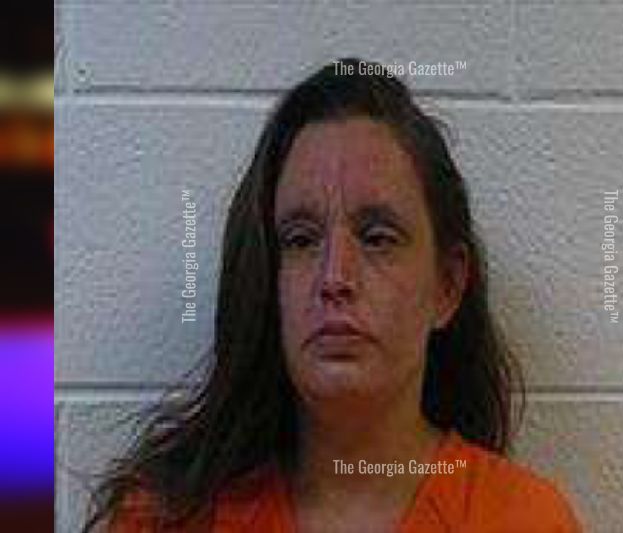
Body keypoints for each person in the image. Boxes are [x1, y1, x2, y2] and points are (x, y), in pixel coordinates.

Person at [83, 58, 581, 532]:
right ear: (267, 279)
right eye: (301, 239)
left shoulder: (528, 521)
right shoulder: (163, 518)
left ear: (447, 287)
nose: (334, 277)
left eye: (378, 238)